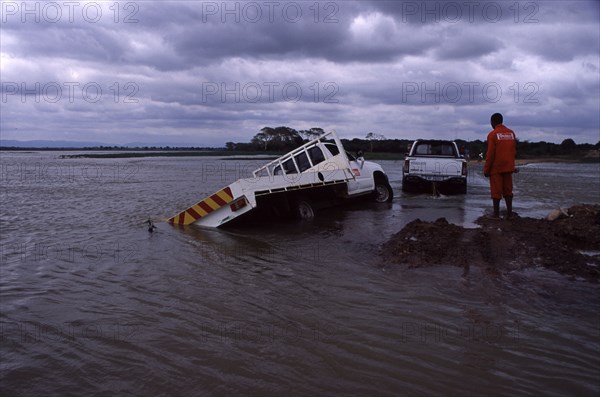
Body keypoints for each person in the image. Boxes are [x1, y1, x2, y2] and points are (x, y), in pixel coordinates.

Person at [484, 113, 517, 219]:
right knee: (508, 191)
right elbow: (513, 151)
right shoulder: (511, 133)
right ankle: (509, 214)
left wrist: (486, 169)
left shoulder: (492, 134)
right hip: (508, 167)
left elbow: (490, 154)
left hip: (496, 168)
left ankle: (496, 215)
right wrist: (512, 166)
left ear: (492, 122)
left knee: (496, 191)